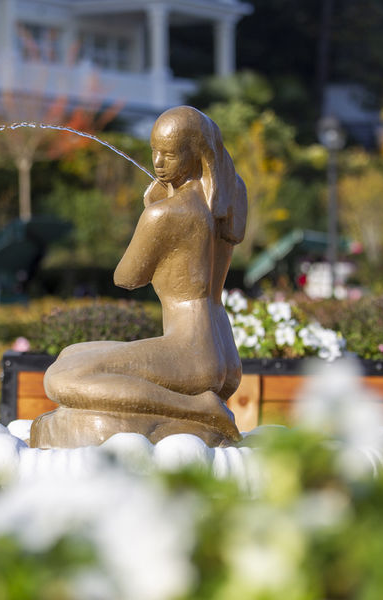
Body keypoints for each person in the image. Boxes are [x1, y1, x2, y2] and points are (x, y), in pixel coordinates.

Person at [34, 106, 247, 446]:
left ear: (195, 154)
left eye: (170, 155)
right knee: (71, 353)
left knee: (60, 377)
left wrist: (150, 212)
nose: (158, 163)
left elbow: (127, 277)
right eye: (154, 151)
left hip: (190, 352)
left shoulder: (166, 213)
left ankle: (197, 409)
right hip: (224, 352)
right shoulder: (230, 193)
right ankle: (200, 408)